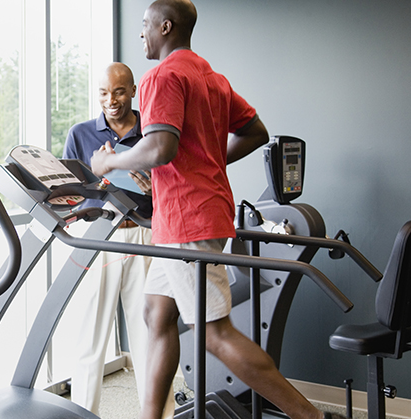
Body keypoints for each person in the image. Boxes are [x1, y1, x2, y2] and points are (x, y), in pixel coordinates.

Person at [90, 2, 345, 419]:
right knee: (156, 312)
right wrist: (205, 162)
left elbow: (159, 147)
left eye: (145, 26)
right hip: (186, 216)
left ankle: (311, 417)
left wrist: (107, 163)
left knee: (215, 333)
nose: (142, 36)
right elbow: (254, 131)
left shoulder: (163, 75)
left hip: (187, 220)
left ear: (165, 26)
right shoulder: (210, 77)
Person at [62, 62, 153, 414]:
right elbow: (71, 189)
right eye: (103, 92)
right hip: (99, 236)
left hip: (144, 235)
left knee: (149, 335)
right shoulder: (81, 133)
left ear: (132, 90)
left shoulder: (153, 132)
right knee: (90, 336)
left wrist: (152, 186)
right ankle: (84, 412)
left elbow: (173, 185)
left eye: (118, 91)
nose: (111, 100)